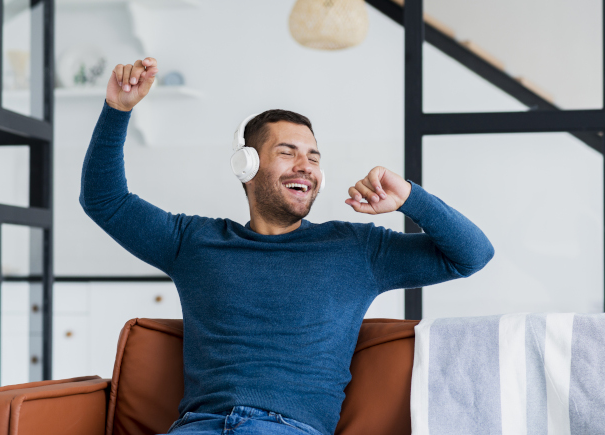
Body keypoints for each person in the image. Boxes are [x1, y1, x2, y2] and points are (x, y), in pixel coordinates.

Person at [80, 57, 495, 435]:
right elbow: (104, 200)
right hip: (198, 428)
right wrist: (118, 110)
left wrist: (410, 199)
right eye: (288, 152)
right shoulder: (193, 242)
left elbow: (472, 255)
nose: (306, 166)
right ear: (247, 165)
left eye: (313, 157)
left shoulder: (356, 248)